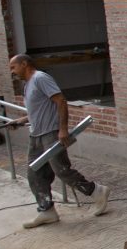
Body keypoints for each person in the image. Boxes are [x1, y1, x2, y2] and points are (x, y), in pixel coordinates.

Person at [7, 54, 109, 228]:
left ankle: (97, 191)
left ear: (24, 64)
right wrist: (21, 121)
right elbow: (37, 111)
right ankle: (47, 211)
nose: (12, 72)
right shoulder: (28, 85)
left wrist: (62, 129)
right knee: (35, 174)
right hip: (36, 135)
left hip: (51, 134)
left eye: (13, 67)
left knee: (61, 170)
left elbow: (60, 100)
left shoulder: (40, 78)